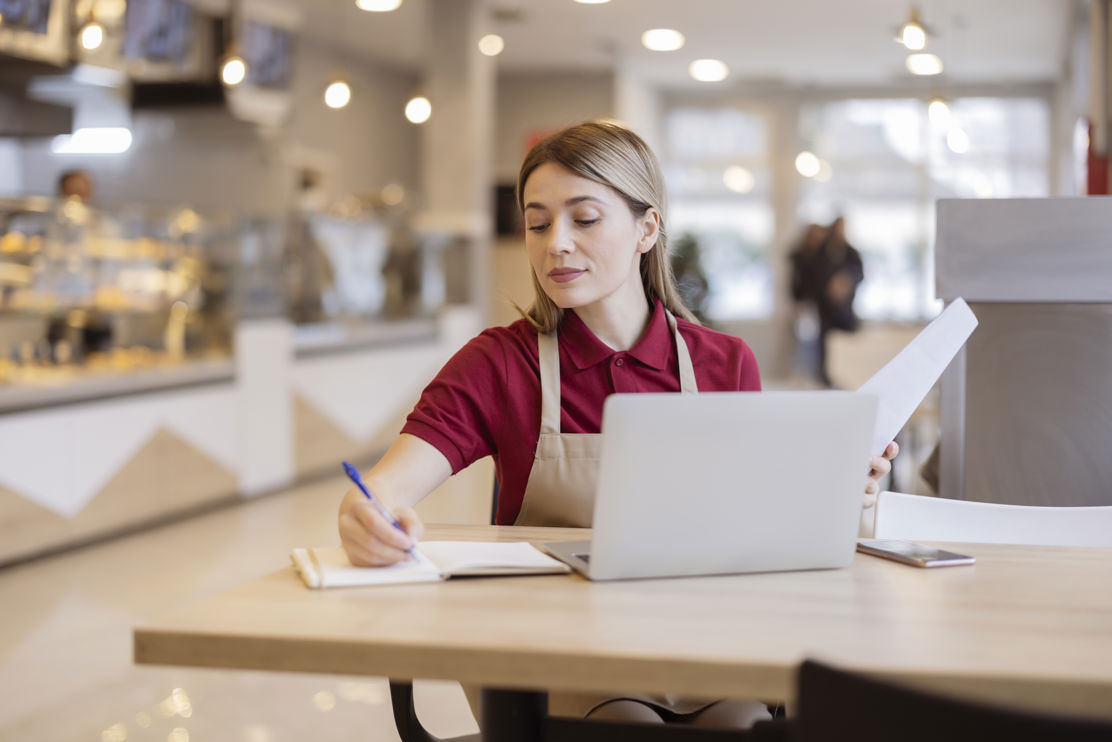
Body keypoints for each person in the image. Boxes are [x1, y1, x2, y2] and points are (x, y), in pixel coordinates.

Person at [338, 121, 898, 729]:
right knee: (625, 721)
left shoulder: (725, 362)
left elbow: (760, 535)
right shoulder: (501, 363)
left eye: (584, 218)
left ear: (646, 229)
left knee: (740, 723)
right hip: (550, 648)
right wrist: (368, 517)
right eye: (537, 222)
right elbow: (385, 489)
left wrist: (841, 497)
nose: (555, 243)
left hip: (697, 639)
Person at [814, 216, 864, 387]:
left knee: (849, 349)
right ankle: (826, 380)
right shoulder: (821, 253)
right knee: (826, 350)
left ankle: (848, 380)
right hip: (826, 312)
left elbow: (860, 274)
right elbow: (813, 278)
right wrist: (829, 286)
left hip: (846, 312)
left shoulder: (851, 253)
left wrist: (846, 282)